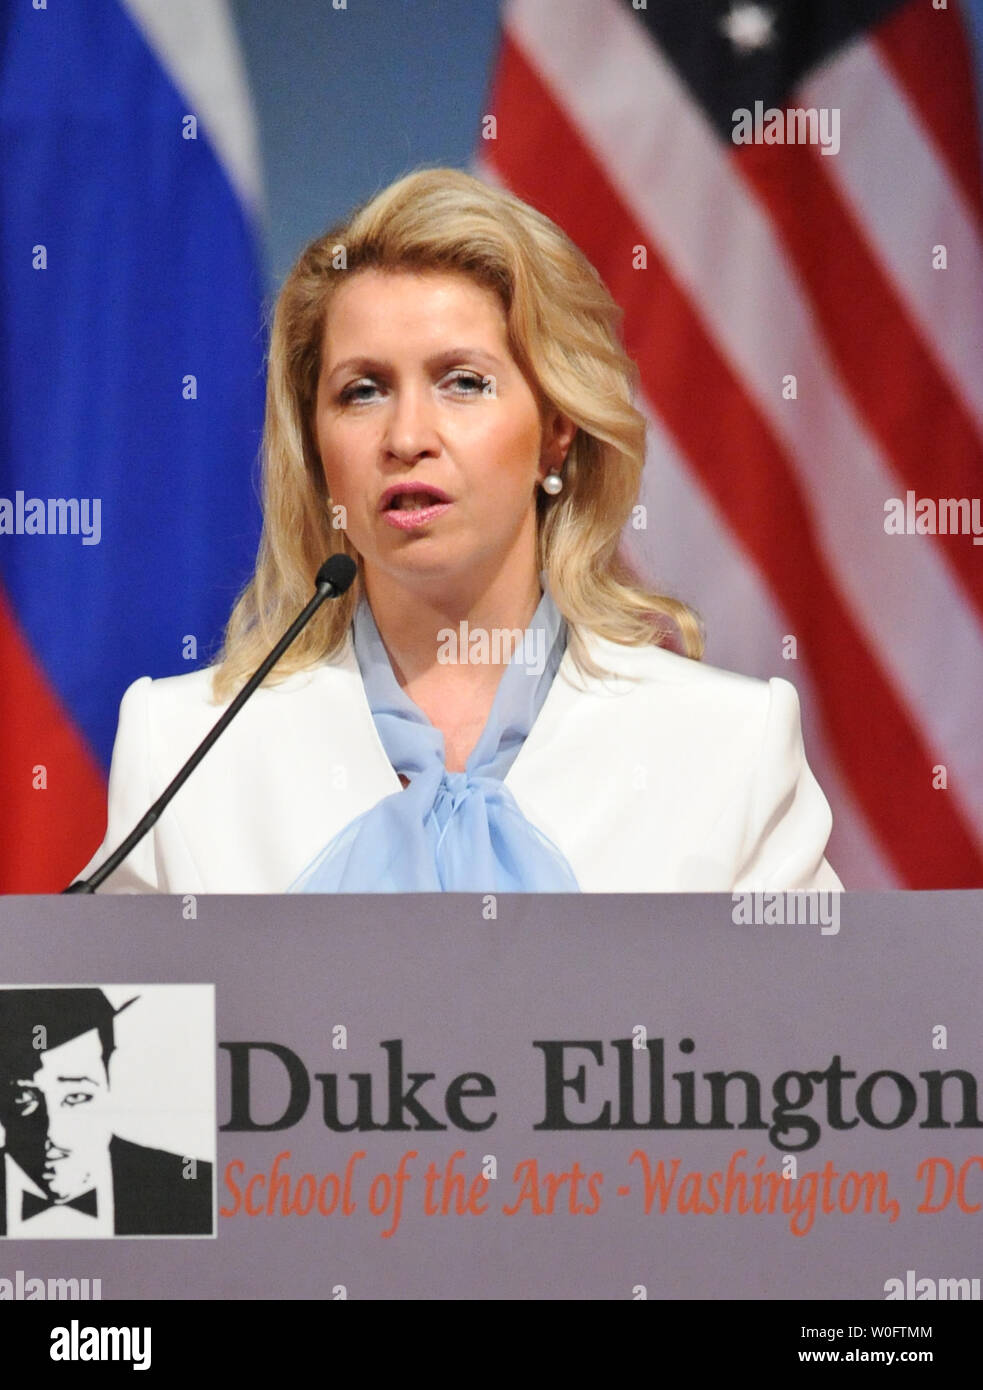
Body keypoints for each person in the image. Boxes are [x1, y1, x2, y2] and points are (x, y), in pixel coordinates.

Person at [78, 167, 841, 894]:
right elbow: (122, 1026)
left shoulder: (727, 745)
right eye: (363, 390)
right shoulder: (183, 746)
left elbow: (821, 1027)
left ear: (555, 431)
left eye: (463, 383)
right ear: (315, 444)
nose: (407, 435)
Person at [0, 989, 213, 1237]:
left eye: (77, 1097)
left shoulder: (201, 1191)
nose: (54, 1135)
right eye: (23, 1098)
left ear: (113, 1081)